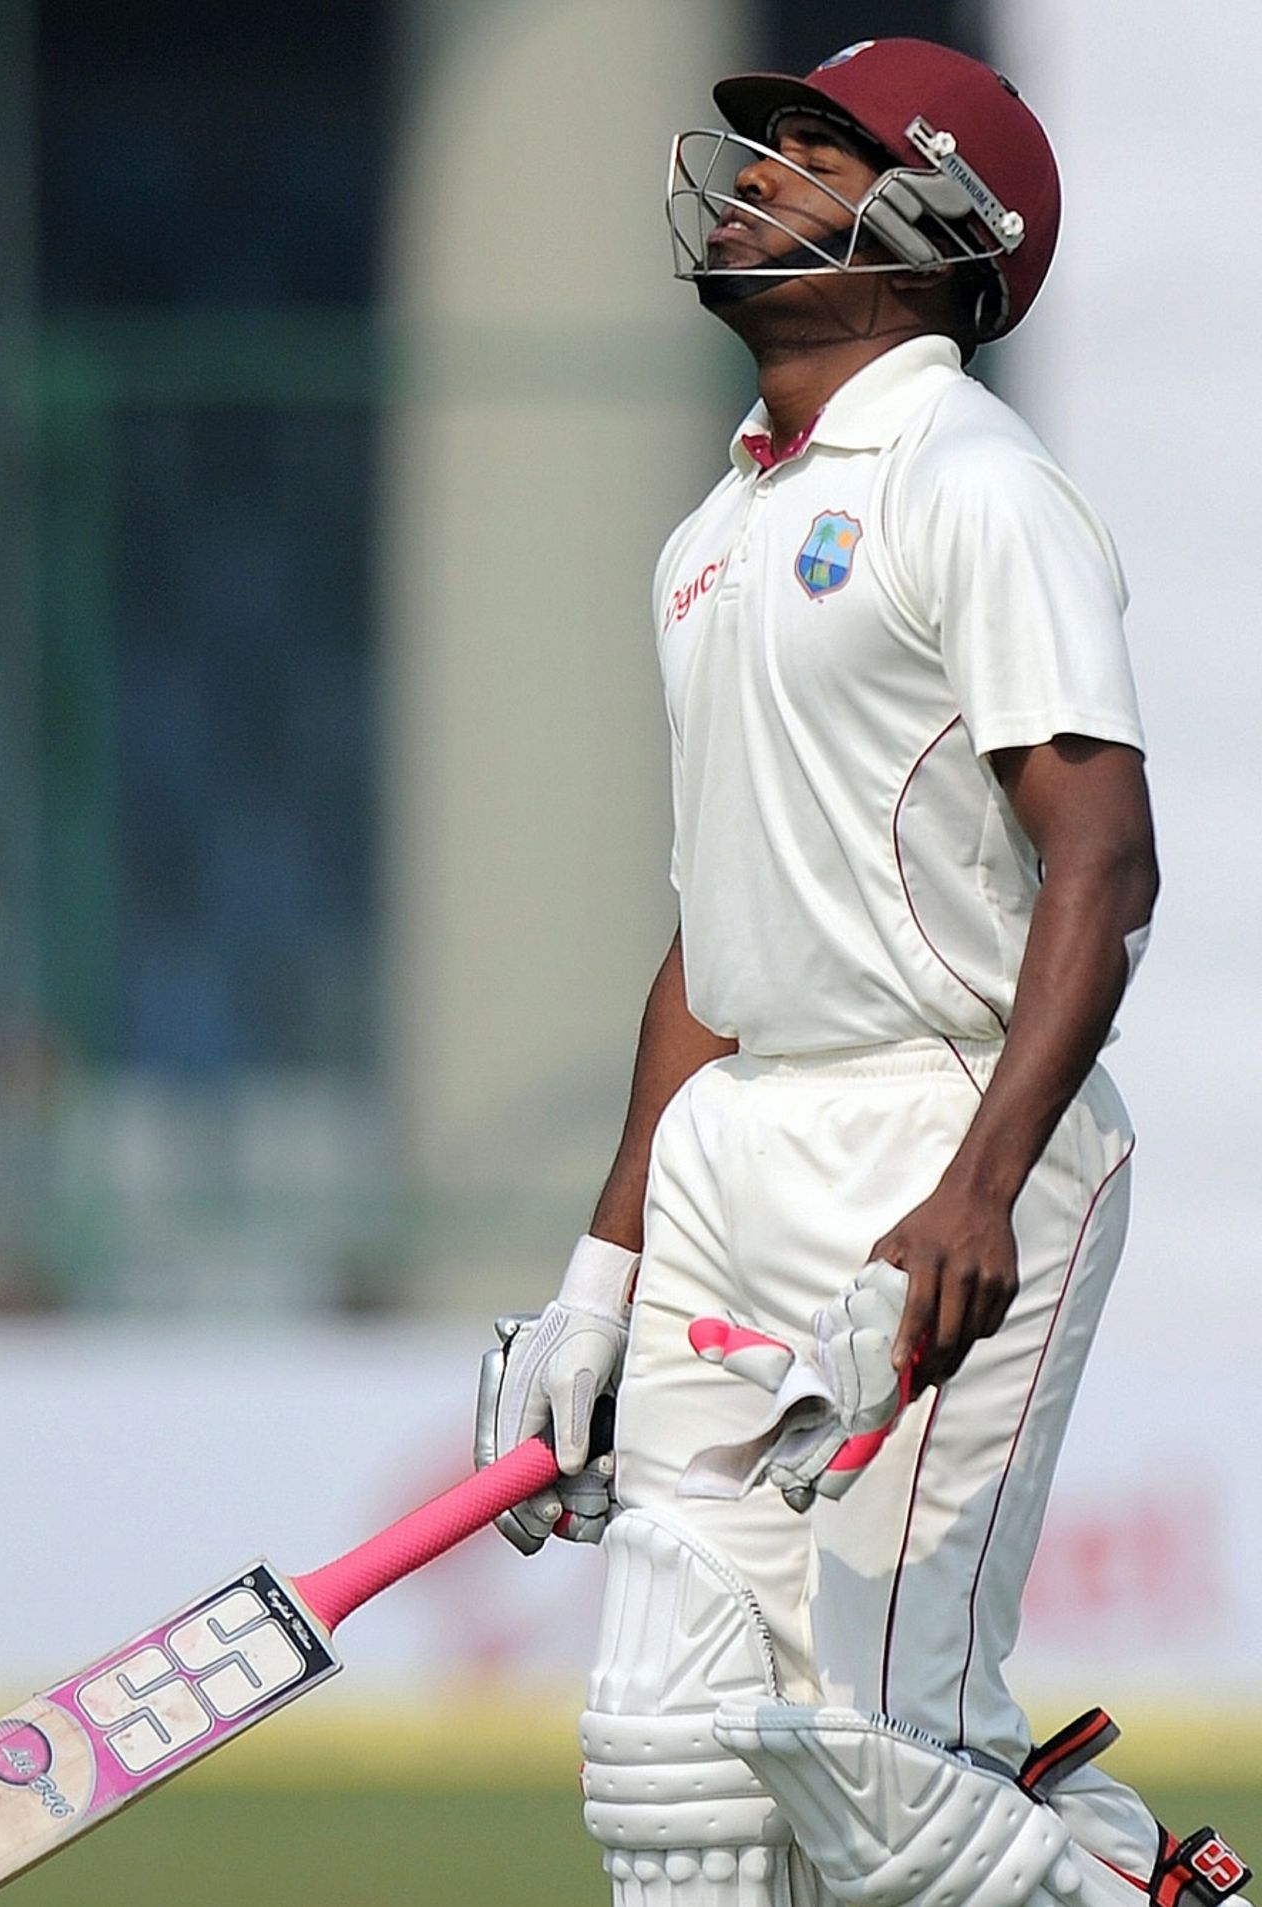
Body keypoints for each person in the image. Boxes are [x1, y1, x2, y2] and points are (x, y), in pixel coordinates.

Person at [474, 37, 1249, 1907]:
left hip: (948, 1132)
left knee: (882, 1775)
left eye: (817, 154)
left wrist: (975, 1189)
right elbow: (711, 941)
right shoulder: (709, 533)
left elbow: (1104, 855)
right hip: (739, 1149)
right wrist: (601, 1277)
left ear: (940, 231)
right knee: (677, 1758)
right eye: (766, 147)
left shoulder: (977, 482)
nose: (757, 177)